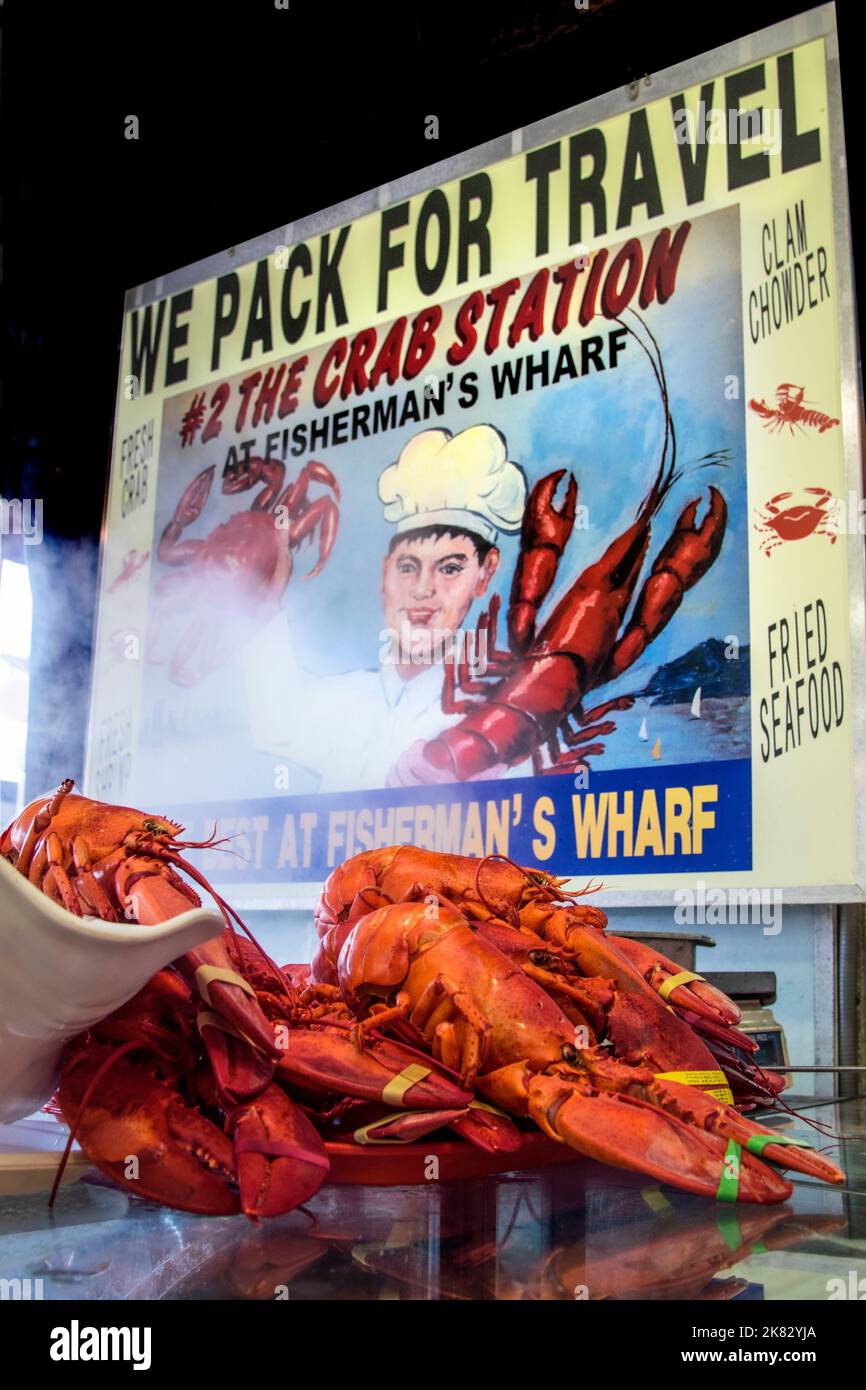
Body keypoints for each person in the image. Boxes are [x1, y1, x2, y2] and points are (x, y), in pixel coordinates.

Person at [243, 424, 527, 791]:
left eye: (450, 568)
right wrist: (264, 604)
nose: (423, 589)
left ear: (484, 574)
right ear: (384, 572)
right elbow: (275, 724)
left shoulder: (497, 717)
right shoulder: (348, 700)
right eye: (407, 567)